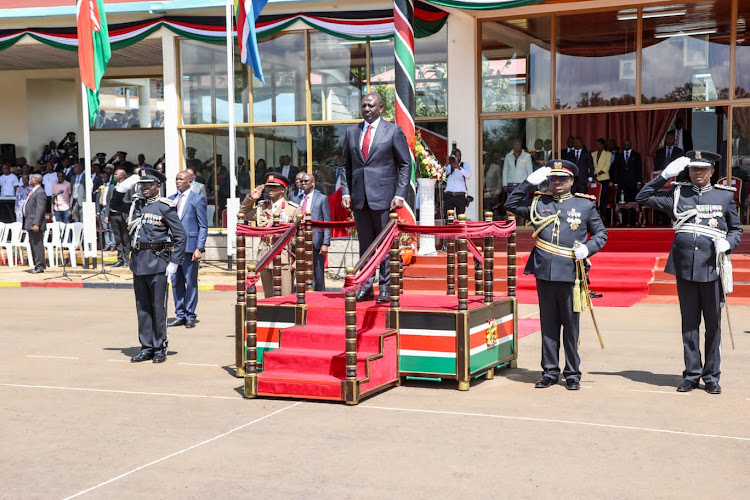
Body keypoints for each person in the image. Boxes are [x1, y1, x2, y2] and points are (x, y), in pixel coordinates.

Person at [636, 151, 743, 395]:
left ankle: (712, 376)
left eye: (703, 169)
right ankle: (692, 374)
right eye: (694, 169)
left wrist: (728, 243)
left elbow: (736, 229)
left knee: (713, 325)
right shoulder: (677, 193)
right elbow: (643, 197)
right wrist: (665, 175)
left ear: (712, 171)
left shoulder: (724, 196)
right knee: (690, 324)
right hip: (685, 267)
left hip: (711, 267)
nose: (698, 173)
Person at [505, 160, 608, 390]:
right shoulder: (539, 202)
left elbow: (601, 234)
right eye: (553, 178)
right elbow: (510, 204)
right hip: (545, 272)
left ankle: (572, 373)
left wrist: (587, 249)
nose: (557, 182)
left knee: (571, 327)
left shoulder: (584, 205)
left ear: (572, 181)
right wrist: (529, 182)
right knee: (548, 325)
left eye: (562, 178)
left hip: (571, 273)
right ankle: (550, 371)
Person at [340, 92, 411, 303]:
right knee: (366, 246)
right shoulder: (352, 132)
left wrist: (400, 194)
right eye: (364, 106)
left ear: (381, 108)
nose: (367, 109)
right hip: (360, 198)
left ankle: (387, 287)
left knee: (385, 246)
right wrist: (346, 192)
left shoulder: (393, 131)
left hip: (385, 198)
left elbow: (405, 164)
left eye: (371, 106)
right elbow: (345, 165)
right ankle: (366, 286)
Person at [110, 168, 187, 363]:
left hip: (158, 261)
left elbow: (180, 236)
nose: (144, 188)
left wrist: (174, 263)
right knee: (142, 307)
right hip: (138, 261)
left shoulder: (164, 207)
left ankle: (159, 346)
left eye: (148, 185)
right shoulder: (136, 205)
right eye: (141, 185)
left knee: (158, 308)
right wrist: (126, 183)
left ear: (157, 187)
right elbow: (115, 203)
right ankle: (146, 347)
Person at [239, 172, 300, 297]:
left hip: (284, 256)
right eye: (268, 187)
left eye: (274, 187)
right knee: (269, 295)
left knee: (285, 295)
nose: (270, 190)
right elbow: (243, 213)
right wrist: (251, 198)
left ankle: (284, 317)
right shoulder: (262, 207)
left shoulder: (292, 209)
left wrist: (297, 263)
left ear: (282, 189)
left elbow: (301, 237)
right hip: (265, 254)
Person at [168, 171, 208, 328]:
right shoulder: (171, 200)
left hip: (190, 247)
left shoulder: (197, 199)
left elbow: (203, 226)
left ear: (190, 181)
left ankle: (190, 314)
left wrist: (199, 247)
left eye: (181, 179)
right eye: (176, 178)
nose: (178, 181)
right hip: (173, 247)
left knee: (190, 281)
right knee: (175, 281)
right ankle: (180, 314)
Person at [299, 172, 331, 291]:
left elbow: (327, 221)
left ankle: (319, 294)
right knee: (302, 270)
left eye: (305, 181)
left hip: (316, 240)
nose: (303, 183)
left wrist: (325, 243)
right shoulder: (296, 197)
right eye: (301, 181)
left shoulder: (322, 198)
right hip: (300, 240)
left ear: (313, 183)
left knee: (318, 272)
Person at [104, 168, 133, 267]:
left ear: (122, 176)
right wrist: (107, 215)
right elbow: (109, 201)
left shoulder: (128, 187)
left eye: (116, 174)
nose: (114, 175)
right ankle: (120, 259)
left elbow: (131, 202)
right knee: (117, 238)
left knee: (125, 237)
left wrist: (130, 215)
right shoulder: (112, 186)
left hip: (123, 215)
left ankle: (126, 260)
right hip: (113, 216)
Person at [611, 139, 642, 226]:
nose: (626, 145)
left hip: (633, 183)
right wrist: (616, 183)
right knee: (623, 202)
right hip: (622, 183)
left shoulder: (636, 155)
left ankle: (633, 221)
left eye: (628, 143)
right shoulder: (619, 155)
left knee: (633, 202)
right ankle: (623, 221)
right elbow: (616, 170)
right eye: (625, 144)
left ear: (631, 144)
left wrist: (639, 181)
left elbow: (639, 169)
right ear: (623, 145)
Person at [22, 173, 48, 274]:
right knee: (33, 244)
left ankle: (40, 266)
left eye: (32, 178)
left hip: (35, 223)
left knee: (37, 245)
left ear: (36, 180)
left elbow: (40, 209)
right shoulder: (34, 191)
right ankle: (36, 264)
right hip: (30, 222)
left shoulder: (40, 192)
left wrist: (36, 223)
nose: (30, 179)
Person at [443, 148, 472, 217]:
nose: (456, 158)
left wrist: (459, 168)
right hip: (449, 195)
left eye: (458, 156)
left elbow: (468, 176)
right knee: (448, 217)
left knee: (461, 216)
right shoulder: (448, 166)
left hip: (460, 195)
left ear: (460, 156)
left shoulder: (464, 165)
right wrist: (447, 164)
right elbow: (442, 175)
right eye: (454, 156)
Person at [592, 138, 612, 221]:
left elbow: (607, 167)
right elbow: (591, 165)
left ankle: (603, 216)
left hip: (603, 178)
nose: (598, 146)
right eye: (597, 144)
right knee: (594, 198)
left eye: (599, 144)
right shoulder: (593, 154)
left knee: (603, 197)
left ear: (603, 145)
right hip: (594, 179)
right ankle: (594, 216)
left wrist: (597, 174)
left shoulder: (608, 154)